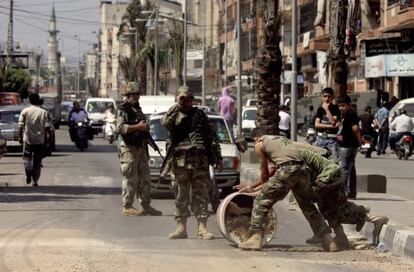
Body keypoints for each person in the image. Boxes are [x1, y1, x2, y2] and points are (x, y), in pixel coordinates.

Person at [238, 129, 389, 251]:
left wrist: (260, 191)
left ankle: (256, 237)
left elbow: (268, 173)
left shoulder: (261, 143)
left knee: (263, 200)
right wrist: (254, 187)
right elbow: (274, 173)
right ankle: (331, 239)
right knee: (317, 206)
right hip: (316, 171)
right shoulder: (282, 142)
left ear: (255, 138)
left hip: (321, 172)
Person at [162, 86, 223, 240]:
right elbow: (166, 123)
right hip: (179, 163)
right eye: (183, 98)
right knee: (181, 196)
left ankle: (202, 228)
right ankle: (181, 227)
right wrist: (176, 105)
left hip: (199, 162)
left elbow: (212, 137)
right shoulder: (174, 114)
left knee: (201, 195)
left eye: (189, 99)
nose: (187, 102)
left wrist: (218, 158)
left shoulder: (200, 115)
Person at [116, 82, 162, 217]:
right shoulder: (123, 109)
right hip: (129, 149)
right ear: (128, 95)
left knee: (145, 178)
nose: (135, 97)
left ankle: (146, 205)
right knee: (130, 178)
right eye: (132, 94)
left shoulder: (138, 109)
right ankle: (127, 206)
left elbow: (143, 128)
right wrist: (138, 127)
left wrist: (145, 130)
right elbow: (120, 128)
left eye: (137, 94)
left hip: (141, 148)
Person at [18, 93, 51, 186]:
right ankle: (35, 180)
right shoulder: (43, 112)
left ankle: (28, 172)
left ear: (29, 100)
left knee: (27, 159)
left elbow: (20, 126)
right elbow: (47, 127)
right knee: (37, 161)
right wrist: (50, 137)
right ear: (38, 100)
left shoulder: (25, 111)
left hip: (28, 140)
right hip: (39, 141)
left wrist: (20, 137)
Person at [337, 95, 361, 199]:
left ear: (349, 105)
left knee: (344, 169)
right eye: (340, 106)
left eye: (343, 105)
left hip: (348, 145)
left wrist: (359, 141)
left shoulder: (351, 114)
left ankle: (342, 192)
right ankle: (352, 192)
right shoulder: (345, 114)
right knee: (351, 169)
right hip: (346, 144)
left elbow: (355, 129)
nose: (341, 108)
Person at [314, 87, 341, 159]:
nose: (327, 98)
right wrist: (330, 126)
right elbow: (317, 125)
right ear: (322, 98)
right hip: (321, 139)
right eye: (325, 96)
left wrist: (327, 110)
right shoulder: (320, 109)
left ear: (332, 97)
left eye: (329, 96)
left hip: (332, 140)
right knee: (320, 161)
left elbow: (333, 122)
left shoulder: (335, 109)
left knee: (335, 161)